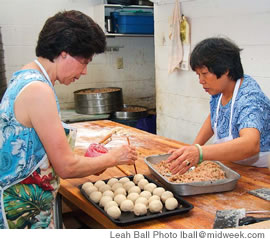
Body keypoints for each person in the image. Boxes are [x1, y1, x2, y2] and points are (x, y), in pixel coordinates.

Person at [0, 10, 137, 229]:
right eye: (84, 62)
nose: (84, 72)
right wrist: (114, 157)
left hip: (27, 203)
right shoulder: (38, 90)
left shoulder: (26, 75)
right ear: (64, 53)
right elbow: (66, 168)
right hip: (21, 212)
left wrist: (88, 160)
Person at [168, 37, 270, 175]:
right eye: (198, 75)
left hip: (260, 171)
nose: (201, 81)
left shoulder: (249, 98)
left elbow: (251, 144)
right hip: (234, 165)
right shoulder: (219, 91)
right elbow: (215, 117)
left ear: (225, 70)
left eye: (204, 74)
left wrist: (200, 153)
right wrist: (193, 148)